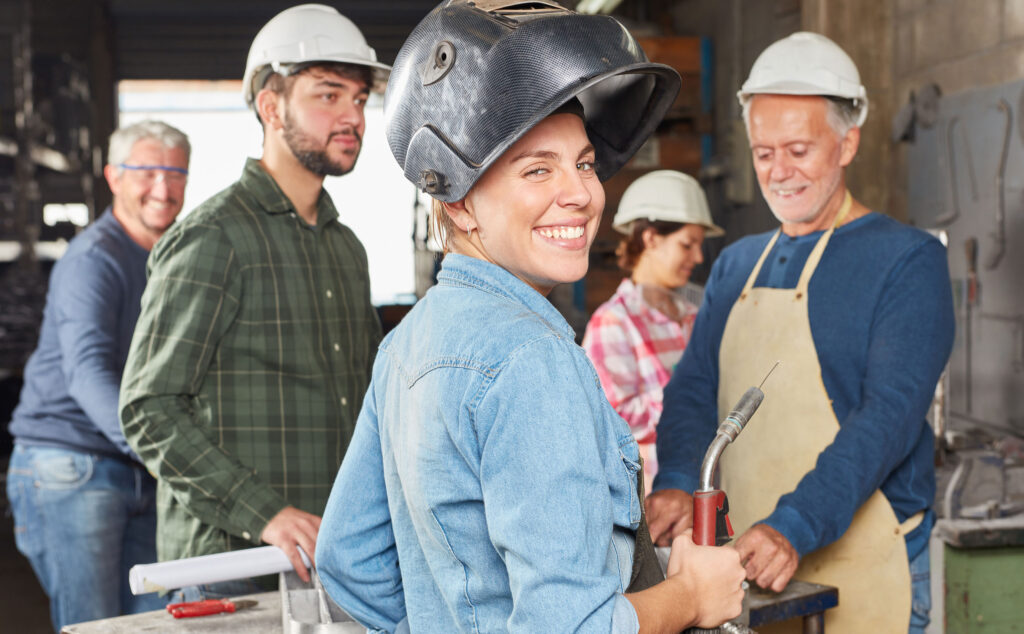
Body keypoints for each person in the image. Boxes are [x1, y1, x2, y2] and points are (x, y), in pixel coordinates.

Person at [315, 3, 746, 633]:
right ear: (458, 203)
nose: (579, 192)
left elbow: (349, 559)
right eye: (536, 169)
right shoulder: (532, 359)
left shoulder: (407, 343)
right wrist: (691, 594)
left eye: (584, 163)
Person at [645, 32, 955, 633]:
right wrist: (682, 480)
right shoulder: (736, 265)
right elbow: (693, 389)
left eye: (798, 150)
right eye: (764, 153)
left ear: (847, 143)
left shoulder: (907, 261)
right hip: (749, 564)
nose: (779, 173)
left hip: (868, 560)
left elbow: (886, 419)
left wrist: (796, 523)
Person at [119, 4, 388, 598]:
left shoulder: (347, 250)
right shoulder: (214, 237)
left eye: (360, 99)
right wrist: (264, 512)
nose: (352, 116)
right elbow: (149, 407)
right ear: (271, 106)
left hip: (330, 562)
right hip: (228, 567)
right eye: (328, 95)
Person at [6, 120, 189, 631]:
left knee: (149, 621)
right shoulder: (95, 258)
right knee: (95, 625)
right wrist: (161, 453)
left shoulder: (168, 254)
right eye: (147, 171)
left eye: (176, 173)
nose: (163, 187)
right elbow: (87, 370)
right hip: (72, 462)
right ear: (114, 177)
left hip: (131, 464)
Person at [583, 170, 723, 492]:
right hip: (654, 506)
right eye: (688, 245)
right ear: (650, 239)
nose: (698, 258)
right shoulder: (614, 323)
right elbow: (615, 420)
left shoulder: (696, 315)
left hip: (711, 493)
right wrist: (693, 396)